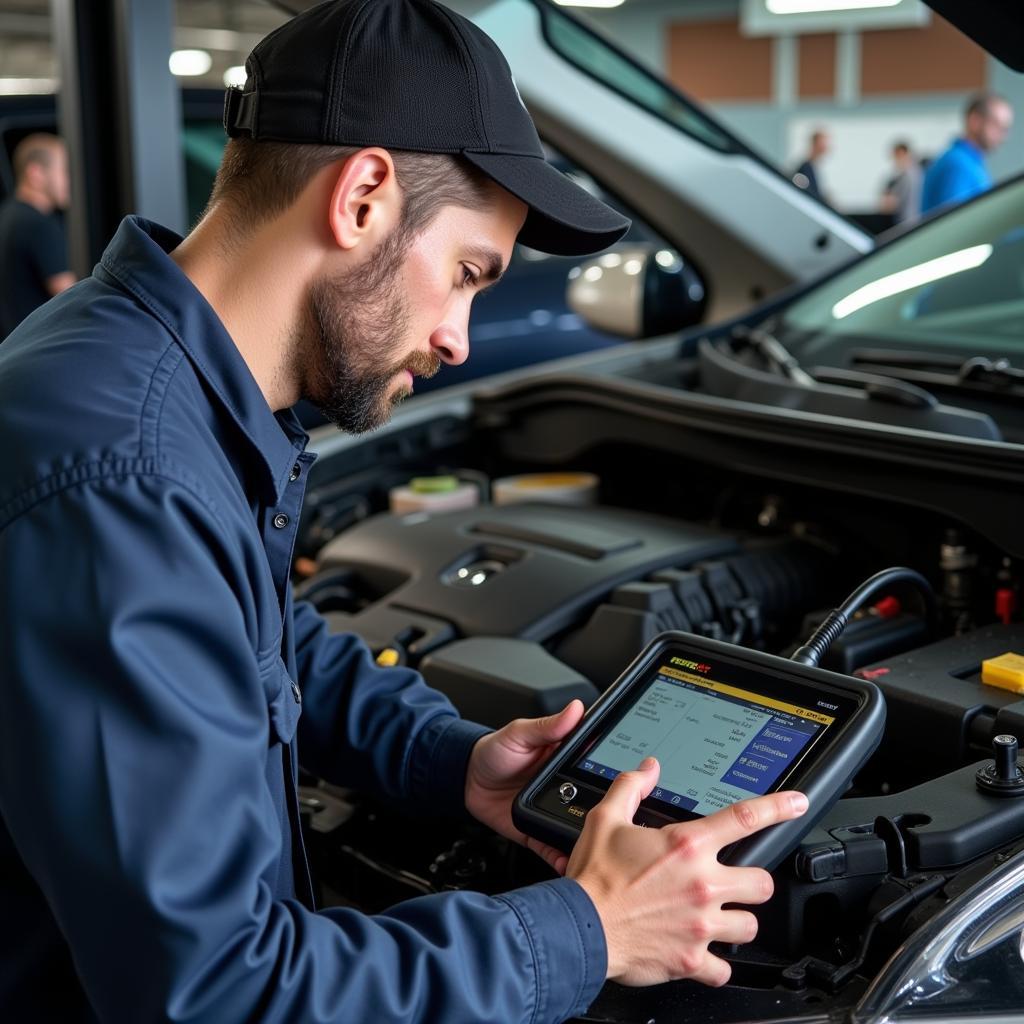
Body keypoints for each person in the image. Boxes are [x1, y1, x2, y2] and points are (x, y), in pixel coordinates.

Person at [0, 2, 807, 1022]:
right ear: (365, 196)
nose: (461, 338)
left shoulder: (135, 370)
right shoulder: (126, 473)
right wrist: (591, 929)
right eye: (469, 274)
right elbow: (213, 992)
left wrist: (447, 760)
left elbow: (242, 632)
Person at [0, 132, 75, 338]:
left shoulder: (8, 215)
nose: (70, 181)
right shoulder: (38, 224)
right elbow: (71, 297)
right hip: (40, 346)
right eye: (64, 171)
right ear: (36, 174)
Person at [921, 92, 1013, 214]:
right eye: (997, 125)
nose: (1003, 136)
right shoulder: (958, 165)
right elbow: (955, 224)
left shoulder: (969, 163)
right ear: (975, 121)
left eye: (1005, 129)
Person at [880, 140, 921, 225]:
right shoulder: (916, 173)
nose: (894, 161)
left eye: (896, 157)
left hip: (907, 223)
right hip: (910, 221)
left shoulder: (908, 177)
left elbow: (889, 205)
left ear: (902, 154)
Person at [791, 129, 829, 201]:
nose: (825, 147)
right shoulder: (806, 168)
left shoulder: (814, 167)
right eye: (823, 143)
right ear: (815, 144)